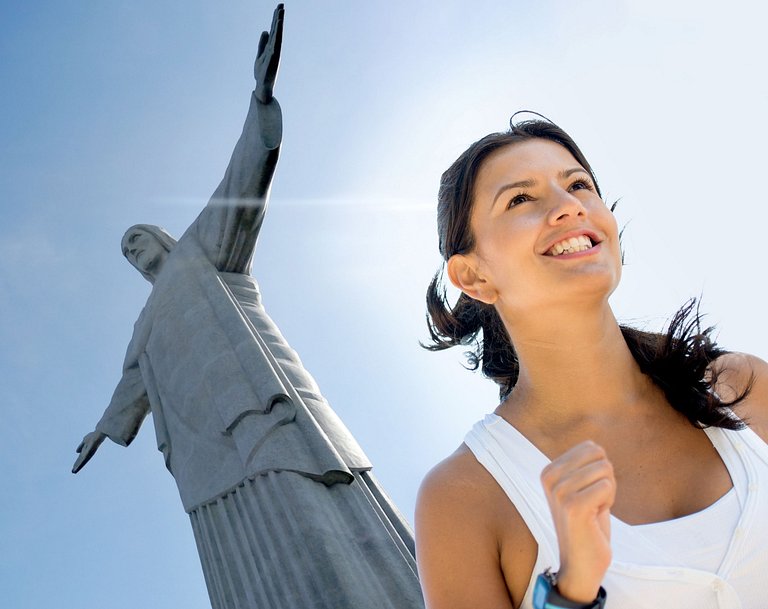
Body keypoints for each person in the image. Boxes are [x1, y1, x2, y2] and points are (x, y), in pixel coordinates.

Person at [72, 6, 423, 609]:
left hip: (261, 411)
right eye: (126, 249)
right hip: (201, 453)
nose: (133, 250)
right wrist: (104, 430)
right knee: (240, 557)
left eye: (138, 238)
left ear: (161, 239)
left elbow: (241, 187)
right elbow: (131, 387)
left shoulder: (200, 254)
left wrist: (259, 103)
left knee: (312, 514)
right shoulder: (143, 328)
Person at [415, 119, 768, 609]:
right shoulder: (464, 496)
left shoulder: (740, 385)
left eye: (579, 184)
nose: (568, 206)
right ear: (474, 276)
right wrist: (570, 591)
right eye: (521, 199)